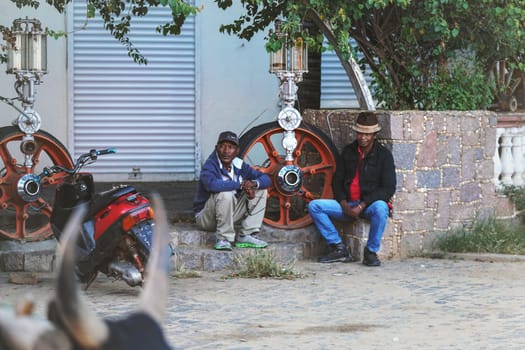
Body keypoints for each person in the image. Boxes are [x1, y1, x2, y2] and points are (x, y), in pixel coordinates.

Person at [308, 112, 396, 266]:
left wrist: (362, 205)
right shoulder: (348, 151)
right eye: (360, 133)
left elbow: (388, 188)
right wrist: (343, 204)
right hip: (347, 204)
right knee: (314, 206)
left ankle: (370, 252)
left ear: (374, 135)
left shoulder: (384, 156)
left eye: (367, 134)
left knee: (382, 208)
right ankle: (338, 247)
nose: (363, 137)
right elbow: (337, 181)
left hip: (368, 205)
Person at [193, 131, 272, 251]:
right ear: (216, 148)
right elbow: (212, 185)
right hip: (206, 219)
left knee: (261, 191)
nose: (226, 151)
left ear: (237, 151)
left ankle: (246, 235)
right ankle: (224, 238)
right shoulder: (210, 164)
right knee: (225, 193)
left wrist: (253, 184)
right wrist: (240, 185)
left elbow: (266, 179)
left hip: (228, 214)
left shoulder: (238, 164)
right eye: (222, 146)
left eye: (231, 147)